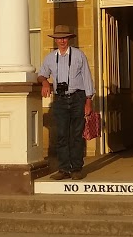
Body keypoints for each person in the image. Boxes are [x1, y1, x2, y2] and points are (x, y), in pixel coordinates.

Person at [37, 24, 95, 181]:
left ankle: (76, 168)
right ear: (55, 40)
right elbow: (41, 74)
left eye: (64, 38)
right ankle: (64, 168)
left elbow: (87, 77)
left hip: (78, 97)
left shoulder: (78, 55)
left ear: (68, 39)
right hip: (61, 99)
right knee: (62, 135)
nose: (62, 41)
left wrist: (88, 100)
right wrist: (45, 82)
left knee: (76, 135)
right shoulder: (50, 58)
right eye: (59, 38)